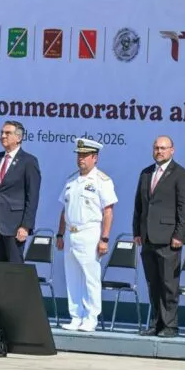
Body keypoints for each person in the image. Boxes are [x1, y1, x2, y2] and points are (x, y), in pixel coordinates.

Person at [132, 135, 185, 338]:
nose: (159, 151)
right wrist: (137, 231)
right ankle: (156, 323)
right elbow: (139, 205)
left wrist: (179, 235)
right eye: (156, 148)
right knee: (153, 283)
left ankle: (170, 325)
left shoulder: (181, 174)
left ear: (172, 150)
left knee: (169, 283)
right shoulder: (146, 173)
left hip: (168, 238)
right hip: (148, 237)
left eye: (163, 148)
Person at [56, 138, 117, 332]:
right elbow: (64, 210)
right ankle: (76, 316)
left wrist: (104, 238)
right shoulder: (71, 180)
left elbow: (108, 212)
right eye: (79, 155)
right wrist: (60, 234)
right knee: (72, 276)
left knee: (91, 277)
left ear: (95, 157)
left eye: (85, 155)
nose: (80, 159)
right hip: (70, 233)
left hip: (90, 232)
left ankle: (91, 317)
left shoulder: (102, 181)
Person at [0, 120, 41, 263]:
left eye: (7, 133)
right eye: (1, 132)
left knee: (14, 269)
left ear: (19, 137)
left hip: (14, 226)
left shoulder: (29, 161)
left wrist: (26, 226)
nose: (3, 136)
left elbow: (32, 196)